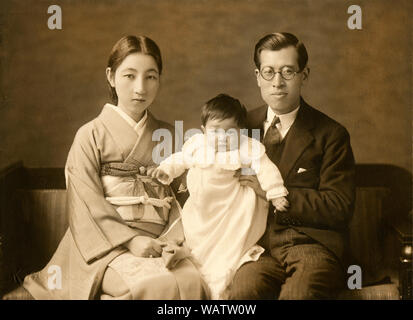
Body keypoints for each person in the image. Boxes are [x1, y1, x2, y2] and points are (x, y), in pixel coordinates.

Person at [3, 35, 208, 300]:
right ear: (111, 77)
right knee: (155, 285)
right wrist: (130, 241)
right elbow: (85, 202)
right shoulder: (90, 135)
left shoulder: (168, 135)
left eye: (151, 77)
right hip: (107, 244)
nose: (140, 88)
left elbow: (186, 197)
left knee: (193, 280)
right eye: (129, 76)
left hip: (162, 242)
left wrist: (174, 243)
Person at [229, 32, 356, 299]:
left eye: (288, 72)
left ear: (304, 75)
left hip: (312, 244)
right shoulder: (241, 127)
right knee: (243, 292)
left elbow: (339, 206)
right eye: (269, 72)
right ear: (257, 76)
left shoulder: (331, 134)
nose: (277, 82)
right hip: (257, 246)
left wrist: (277, 195)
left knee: (299, 295)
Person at [149, 93, 289, 299]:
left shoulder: (247, 148)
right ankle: (191, 265)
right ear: (205, 130)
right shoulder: (198, 145)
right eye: (215, 131)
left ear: (241, 132)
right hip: (202, 210)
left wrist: (275, 193)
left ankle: (218, 288)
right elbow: (180, 159)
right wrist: (166, 170)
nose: (222, 138)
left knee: (227, 251)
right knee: (198, 242)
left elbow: (266, 169)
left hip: (232, 208)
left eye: (230, 132)